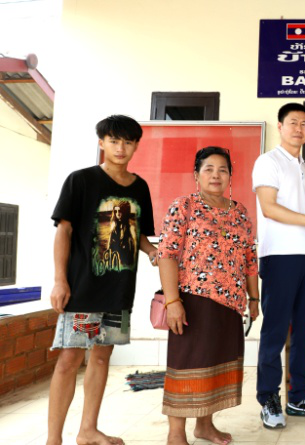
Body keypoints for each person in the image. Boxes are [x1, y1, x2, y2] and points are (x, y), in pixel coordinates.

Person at [48, 115, 157, 445]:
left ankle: (88, 431)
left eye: (128, 142)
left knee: (101, 357)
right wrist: (60, 280)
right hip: (83, 289)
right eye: (114, 141)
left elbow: (138, 235)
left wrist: (154, 252)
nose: (121, 148)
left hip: (119, 291)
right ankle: (53, 439)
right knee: (69, 360)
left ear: (136, 146)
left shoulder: (140, 187)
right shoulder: (81, 180)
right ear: (102, 143)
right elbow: (64, 231)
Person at [157, 146, 260, 445]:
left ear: (230, 176)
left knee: (215, 364)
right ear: (196, 175)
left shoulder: (240, 213)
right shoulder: (184, 206)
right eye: (209, 169)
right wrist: (173, 302)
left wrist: (254, 299)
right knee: (186, 364)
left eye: (223, 170)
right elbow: (166, 254)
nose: (216, 175)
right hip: (192, 300)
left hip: (230, 303)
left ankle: (205, 426)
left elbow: (250, 260)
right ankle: (176, 434)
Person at [252, 103, 305, 429]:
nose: (299, 129)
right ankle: (268, 398)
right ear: (280, 126)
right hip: (279, 255)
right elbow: (269, 208)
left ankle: (300, 396)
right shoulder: (268, 162)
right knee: (275, 330)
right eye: (292, 123)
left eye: (304, 124)